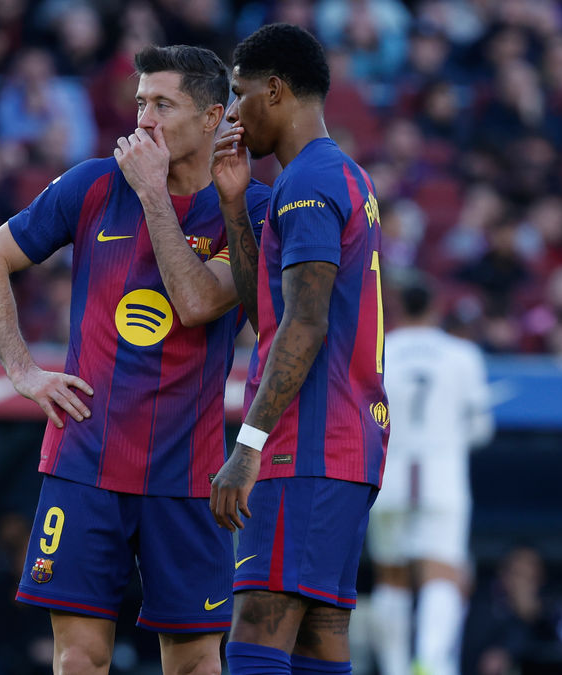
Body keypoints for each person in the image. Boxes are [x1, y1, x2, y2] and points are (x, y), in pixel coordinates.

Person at [0, 44, 270, 675]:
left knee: (195, 661)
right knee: (79, 657)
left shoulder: (249, 208)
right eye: (140, 103)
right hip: (85, 463)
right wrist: (22, 369)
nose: (144, 120)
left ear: (212, 117)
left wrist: (154, 194)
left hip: (189, 475)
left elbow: (196, 303)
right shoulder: (93, 184)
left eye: (164, 104)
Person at [209, 23, 389, 675]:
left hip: (305, 443)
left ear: (275, 90)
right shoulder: (340, 175)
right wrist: (235, 206)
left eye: (239, 93)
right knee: (319, 637)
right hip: (346, 444)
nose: (232, 113)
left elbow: (303, 326)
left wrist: (247, 447)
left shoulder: (308, 182)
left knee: (256, 627)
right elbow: (271, 318)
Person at [366, 280, 494, 675]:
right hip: (442, 477)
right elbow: (481, 428)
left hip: (390, 475)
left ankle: (395, 668)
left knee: (391, 576)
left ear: (400, 307)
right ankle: (431, 663)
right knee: (443, 572)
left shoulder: (380, 348)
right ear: (436, 308)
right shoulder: (463, 354)